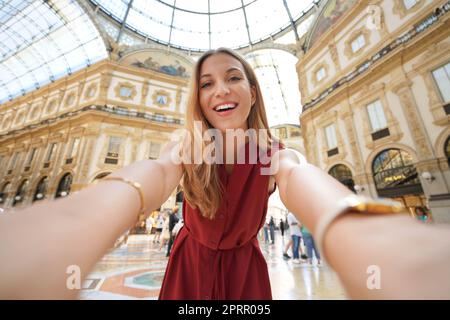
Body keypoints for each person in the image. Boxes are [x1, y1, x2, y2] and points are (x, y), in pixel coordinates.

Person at [1, 48, 450, 300]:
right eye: (206, 82)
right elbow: (154, 176)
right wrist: (68, 226)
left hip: (245, 273)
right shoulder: (187, 147)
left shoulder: (274, 152)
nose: (221, 89)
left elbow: (301, 180)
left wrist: (371, 235)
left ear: (252, 93)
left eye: (233, 77)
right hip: (189, 268)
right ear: (198, 100)